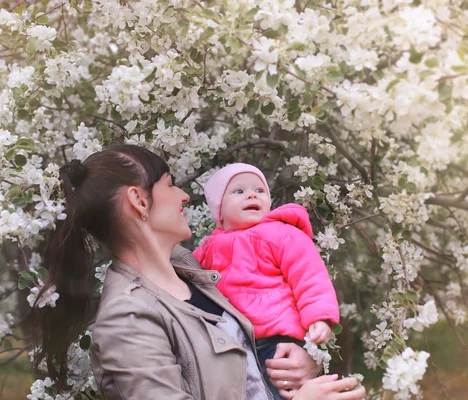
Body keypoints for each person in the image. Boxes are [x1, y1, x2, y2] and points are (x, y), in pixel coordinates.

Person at [31, 144, 365, 400]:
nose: (184, 195)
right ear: (139, 200)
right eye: (170, 185)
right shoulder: (127, 320)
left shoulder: (195, 270)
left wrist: (302, 362)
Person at [194, 163, 340, 399]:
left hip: (277, 342)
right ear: (219, 210)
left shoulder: (281, 234)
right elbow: (188, 275)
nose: (252, 194)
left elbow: (309, 275)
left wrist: (319, 317)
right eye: (239, 191)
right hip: (234, 344)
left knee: (284, 391)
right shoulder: (208, 246)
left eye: (259, 190)